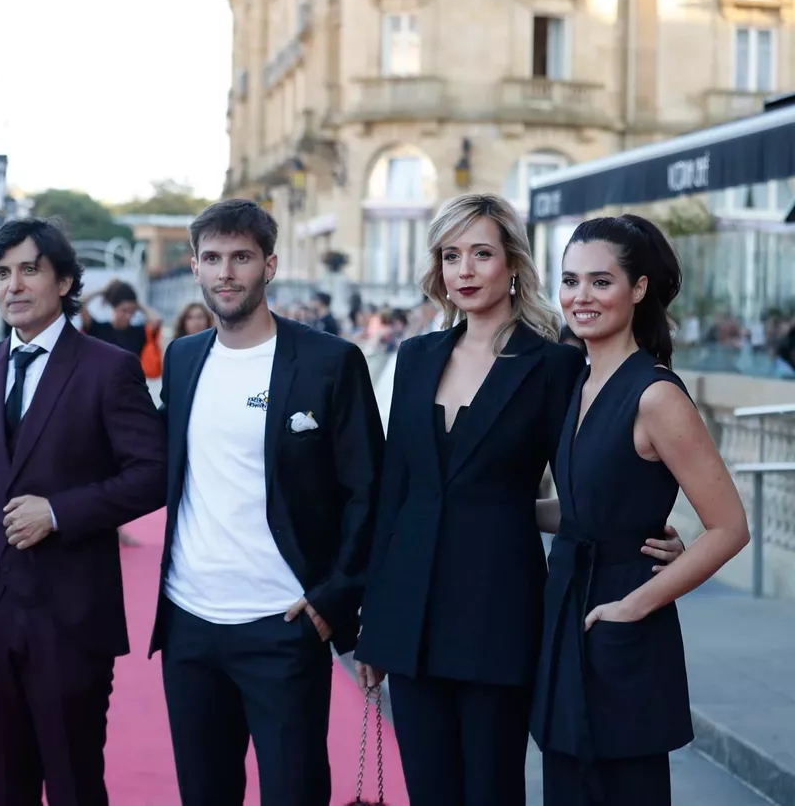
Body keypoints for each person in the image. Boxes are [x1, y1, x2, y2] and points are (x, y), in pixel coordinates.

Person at [353, 194, 686, 806]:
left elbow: (596, 475)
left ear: (512, 264)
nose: (466, 271)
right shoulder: (417, 356)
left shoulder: (557, 365)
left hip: (499, 615)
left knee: (491, 790)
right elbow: (393, 494)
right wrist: (373, 622)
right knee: (428, 791)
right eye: (451, 256)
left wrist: (639, 529)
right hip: (409, 616)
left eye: (482, 253)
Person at [0, 217, 167, 806]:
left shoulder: (108, 368)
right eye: (2, 274)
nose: (14, 286)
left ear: (64, 282)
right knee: (6, 785)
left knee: (76, 783)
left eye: (29, 270)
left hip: (72, 614)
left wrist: (59, 512)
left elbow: (153, 474)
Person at [150, 198, 385, 806]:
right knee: (204, 794)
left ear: (269, 265)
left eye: (241, 258)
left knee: (295, 791)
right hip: (189, 624)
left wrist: (335, 596)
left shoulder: (331, 362)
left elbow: (368, 489)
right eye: (212, 258)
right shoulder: (182, 359)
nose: (226, 272)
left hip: (283, 624)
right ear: (196, 268)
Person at [530, 214, 750, 805]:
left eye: (601, 282)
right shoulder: (578, 383)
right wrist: (508, 511)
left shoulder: (655, 395)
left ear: (640, 287)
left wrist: (634, 606)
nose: (580, 297)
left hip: (621, 617)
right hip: (567, 608)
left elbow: (730, 527)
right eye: (570, 280)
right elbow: (582, 512)